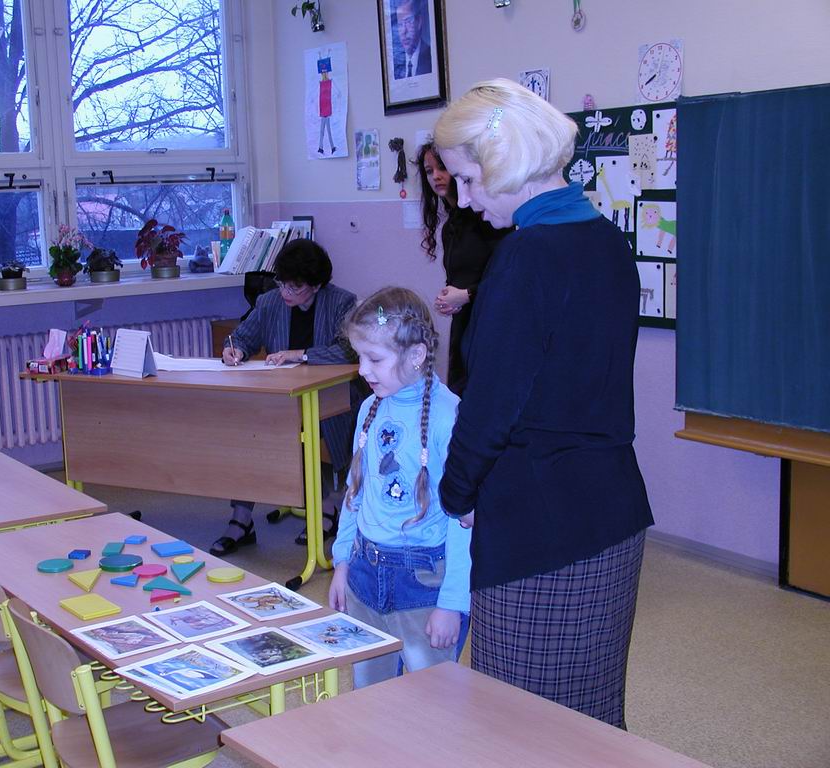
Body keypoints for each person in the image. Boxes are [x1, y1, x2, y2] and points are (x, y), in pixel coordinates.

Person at [433, 79, 654, 729]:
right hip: (609, 511)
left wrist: (454, 495)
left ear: (507, 162)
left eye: (468, 179)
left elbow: (490, 404)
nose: (465, 200)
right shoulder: (605, 238)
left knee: (521, 726)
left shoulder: (526, 257)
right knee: (590, 719)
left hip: (542, 527)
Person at [329, 287, 471, 688]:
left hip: (423, 584)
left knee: (432, 700)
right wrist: (342, 563)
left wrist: (452, 603)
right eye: (360, 357)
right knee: (369, 696)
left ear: (416, 355)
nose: (362, 370)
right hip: (364, 574)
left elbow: (464, 521)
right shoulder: (370, 408)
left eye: (374, 359)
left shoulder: (449, 417)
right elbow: (354, 493)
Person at [212, 239, 356, 556]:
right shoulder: (269, 302)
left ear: (316, 285)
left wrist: (300, 355)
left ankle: (325, 506)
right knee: (248, 431)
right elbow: (242, 338)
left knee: (301, 431)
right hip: (282, 400)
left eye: (296, 287)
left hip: (330, 400)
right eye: (282, 283)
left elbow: (349, 350)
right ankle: (241, 518)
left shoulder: (341, 303)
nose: (286, 292)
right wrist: (234, 351)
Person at [416, 141, 510, 394]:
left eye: (442, 168)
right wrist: (450, 298)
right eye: (429, 171)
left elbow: (507, 279)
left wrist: (466, 295)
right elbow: (459, 278)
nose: (436, 176)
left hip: (493, 324)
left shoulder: (487, 218)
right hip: (464, 326)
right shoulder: (450, 227)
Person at [392, 0, 431, 79]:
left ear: (419, 22)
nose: (404, 31)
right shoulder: (394, 63)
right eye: (400, 24)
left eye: (408, 21)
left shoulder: (431, 57)